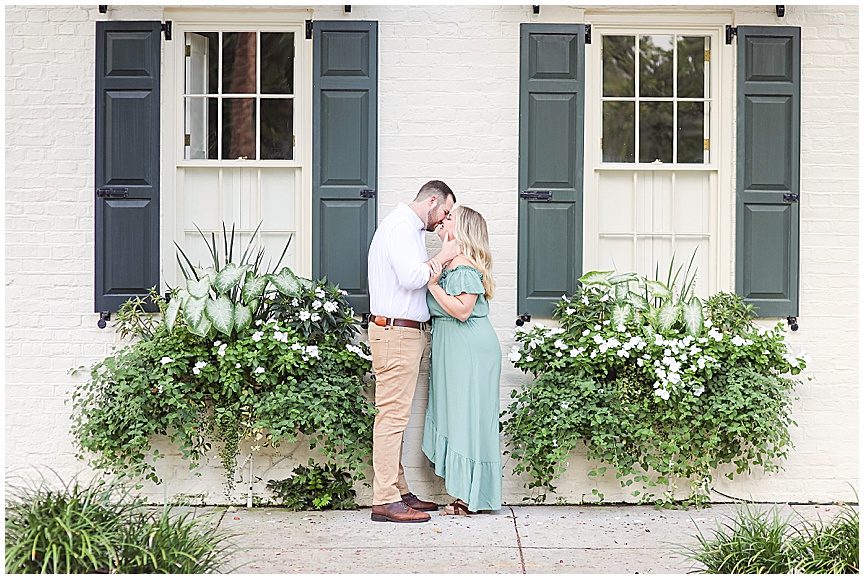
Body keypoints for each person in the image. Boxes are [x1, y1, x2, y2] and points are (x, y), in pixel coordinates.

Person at [367, 180, 460, 523]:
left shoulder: (410, 229)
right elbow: (411, 277)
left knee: (397, 419)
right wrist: (444, 256)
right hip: (396, 333)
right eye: (445, 212)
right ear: (432, 200)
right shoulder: (401, 228)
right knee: (391, 419)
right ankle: (385, 500)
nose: (443, 220)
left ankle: (399, 489)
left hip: (403, 333)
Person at [422, 205, 502, 515]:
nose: (443, 220)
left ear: (462, 230)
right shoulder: (451, 263)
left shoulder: (463, 267)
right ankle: (468, 494)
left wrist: (431, 282)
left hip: (470, 350)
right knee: (460, 417)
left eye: (450, 217)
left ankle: (470, 497)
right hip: (456, 348)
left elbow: (462, 310)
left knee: (467, 419)